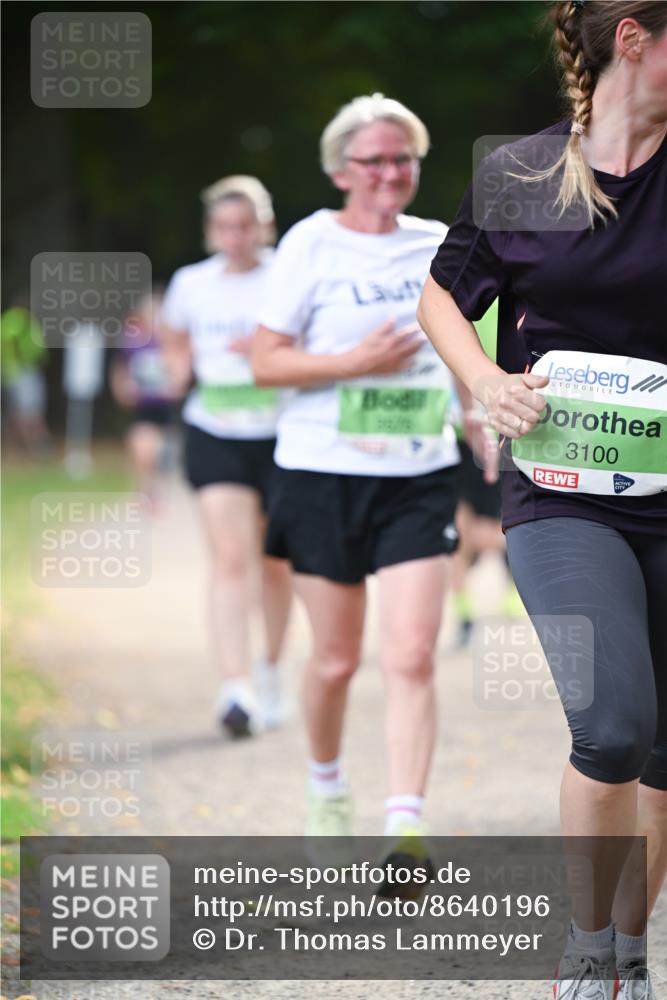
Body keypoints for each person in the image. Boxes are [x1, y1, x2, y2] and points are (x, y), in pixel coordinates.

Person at [417, 2, 666, 996]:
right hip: (560, 490)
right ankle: (589, 947)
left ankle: (628, 946)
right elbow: (442, 292)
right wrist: (481, 380)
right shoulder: (521, 172)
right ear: (634, 40)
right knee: (611, 728)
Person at [252, 94, 462, 872]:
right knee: (336, 661)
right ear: (342, 169)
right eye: (374, 159)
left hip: (417, 471)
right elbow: (264, 361)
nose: (390, 172)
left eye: (402, 156)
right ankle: (325, 784)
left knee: (410, 655)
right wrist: (351, 364)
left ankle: (403, 825)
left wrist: (478, 416)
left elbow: (462, 346)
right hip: (321, 471)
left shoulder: (440, 244)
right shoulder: (309, 245)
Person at [161, 176, 292, 737]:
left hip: (283, 433)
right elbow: (172, 335)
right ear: (210, 231)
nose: (236, 237)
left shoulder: (287, 273)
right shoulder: (191, 283)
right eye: (224, 227)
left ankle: (270, 671)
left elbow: (324, 339)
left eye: (246, 225)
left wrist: (272, 351)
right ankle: (234, 688)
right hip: (215, 430)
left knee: (274, 563)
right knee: (231, 557)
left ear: (264, 225)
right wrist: (177, 366)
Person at [110, 289, 179, 508]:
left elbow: (183, 369)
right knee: (142, 449)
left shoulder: (171, 341)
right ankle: (144, 490)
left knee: (161, 451)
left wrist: (177, 386)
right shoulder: (132, 340)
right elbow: (120, 367)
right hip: (143, 404)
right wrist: (121, 389)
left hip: (166, 405)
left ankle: (158, 493)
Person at [1, 295, 51, 458]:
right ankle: (37, 449)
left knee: (15, 413)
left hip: (9, 373)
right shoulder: (24, 322)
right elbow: (38, 349)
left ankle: (15, 450)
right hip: (24, 372)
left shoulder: (6, 320)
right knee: (29, 413)